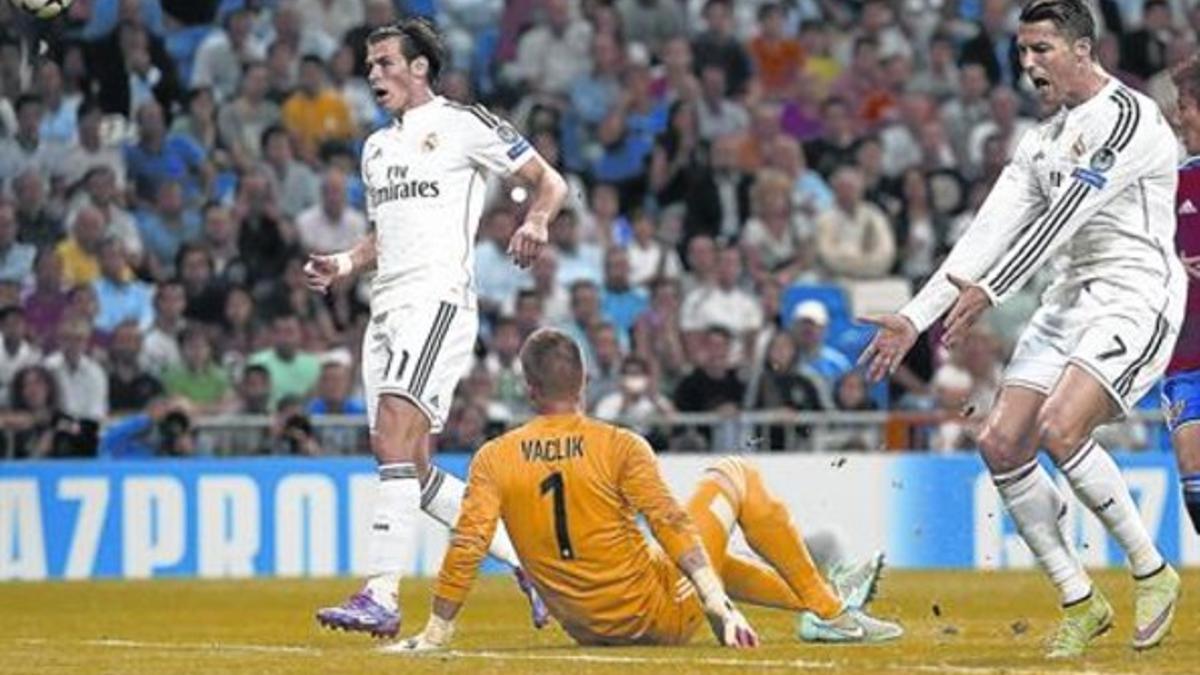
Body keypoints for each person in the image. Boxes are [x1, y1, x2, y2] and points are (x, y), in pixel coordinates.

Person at [860, 0, 1183, 658]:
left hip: (1134, 295)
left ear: (1083, 50)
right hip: (1068, 297)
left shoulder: (1130, 117)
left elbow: (1063, 215)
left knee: (1060, 428)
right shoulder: (1038, 141)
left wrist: (994, 289)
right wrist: (915, 316)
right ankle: (1079, 598)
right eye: (1023, 51)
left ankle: (1152, 572)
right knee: (1002, 441)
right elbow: (989, 229)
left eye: (1042, 49)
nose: (1027, 63)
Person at [386, 328, 901, 653]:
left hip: (585, 627)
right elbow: (671, 522)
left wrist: (437, 631)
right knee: (733, 472)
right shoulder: (619, 445)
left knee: (674, 553)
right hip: (657, 616)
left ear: (529, 389)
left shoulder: (494, 456)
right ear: (585, 382)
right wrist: (715, 602)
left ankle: (823, 604)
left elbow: (468, 543)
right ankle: (829, 610)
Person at [304, 19, 568, 638]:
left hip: (438, 301)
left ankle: (382, 595)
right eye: (369, 66)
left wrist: (536, 221)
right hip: (386, 307)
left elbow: (548, 180)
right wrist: (343, 263)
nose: (374, 75)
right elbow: (382, 234)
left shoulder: (465, 124)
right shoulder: (376, 149)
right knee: (410, 465)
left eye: (385, 62)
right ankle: (528, 566)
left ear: (420, 67)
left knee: (394, 431)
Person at [1167, 56, 1200, 536]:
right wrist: (1170, 266)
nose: (1178, 116)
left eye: (1186, 105)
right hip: (1186, 352)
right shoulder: (1168, 182)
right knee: (1192, 471)